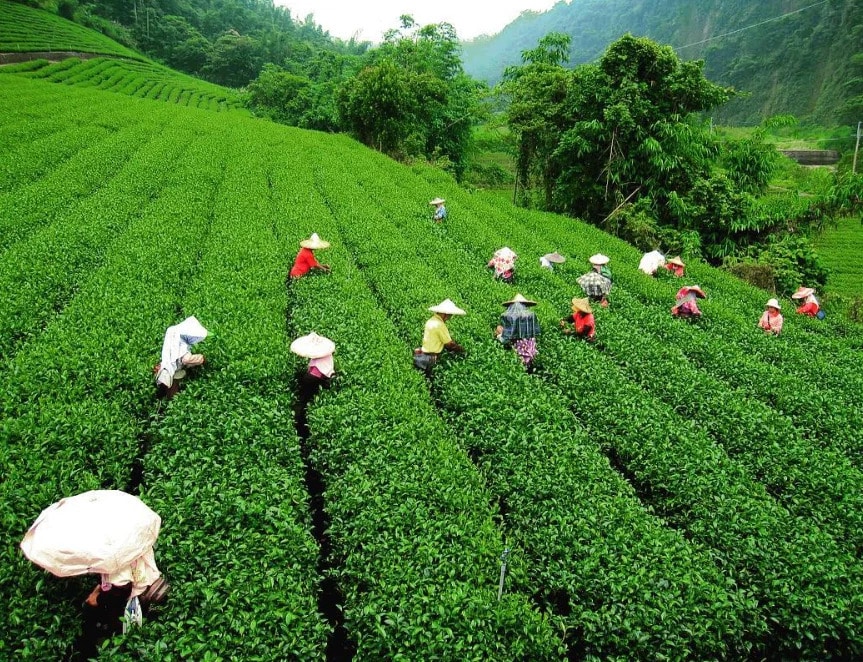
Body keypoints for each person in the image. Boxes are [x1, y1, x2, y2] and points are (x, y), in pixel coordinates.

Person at [154, 316, 208, 399]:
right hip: (173, 370)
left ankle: (162, 401)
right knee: (172, 391)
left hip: (165, 366)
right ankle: (168, 402)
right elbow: (186, 359)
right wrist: (201, 358)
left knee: (163, 390)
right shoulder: (182, 344)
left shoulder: (172, 333)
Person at [413, 299, 465, 374]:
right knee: (430, 377)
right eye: (450, 315)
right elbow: (449, 345)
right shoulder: (439, 325)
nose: (449, 318)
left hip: (423, 355)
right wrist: (461, 350)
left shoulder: (430, 320)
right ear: (445, 314)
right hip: (430, 358)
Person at [495, 293, 541, 368]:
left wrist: (498, 335)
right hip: (531, 351)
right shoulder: (531, 317)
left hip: (519, 353)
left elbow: (505, 339)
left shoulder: (511, 319)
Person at [290, 332, 336, 403]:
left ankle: (303, 401)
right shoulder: (326, 353)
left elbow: (315, 373)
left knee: (305, 385)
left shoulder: (321, 356)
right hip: (322, 375)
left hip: (318, 377)